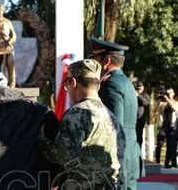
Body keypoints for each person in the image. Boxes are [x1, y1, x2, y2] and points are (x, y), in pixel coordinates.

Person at [42, 59, 125, 189]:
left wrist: (42, 140)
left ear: (73, 82)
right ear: (97, 86)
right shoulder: (110, 116)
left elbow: (63, 154)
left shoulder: (78, 113)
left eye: (66, 85)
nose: (67, 91)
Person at [88, 37, 143, 190]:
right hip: (129, 151)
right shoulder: (125, 82)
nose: (94, 65)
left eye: (95, 59)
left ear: (105, 61)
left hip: (118, 155)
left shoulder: (110, 84)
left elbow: (113, 124)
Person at [134, 81, 150, 148]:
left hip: (140, 119)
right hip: (133, 119)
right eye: (137, 88)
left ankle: (138, 151)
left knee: (139, 136)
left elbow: (146, 103)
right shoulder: (133, 94)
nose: (139, 89)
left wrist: (139, 96)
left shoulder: (145, 95)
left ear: (143, 88)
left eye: (140, 88)